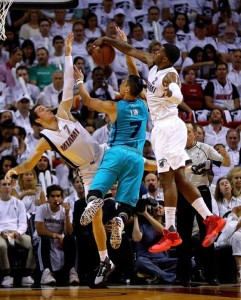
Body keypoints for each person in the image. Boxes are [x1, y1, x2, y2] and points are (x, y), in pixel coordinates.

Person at [92, 26, 226, 254]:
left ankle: (171, 231)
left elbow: (178, 94)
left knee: (167, 180)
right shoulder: (154, 65)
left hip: (169, 127)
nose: (153, 52)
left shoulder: (170, 74)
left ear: (164, 57)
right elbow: (131, 50)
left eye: (158, 50)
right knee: (180, 179)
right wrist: (109, 39)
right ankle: (210, 218)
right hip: (165, 128)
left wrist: (169, 93)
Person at [73, 27, 148, 286]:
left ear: (127, 91)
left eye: (124, 83)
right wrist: (124, 45)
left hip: (116, 153)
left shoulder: (116, 107)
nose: (122, 83)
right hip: (137, 158)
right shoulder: (143, 103)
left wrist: (80, 80)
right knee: (126, 204)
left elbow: (88, 101)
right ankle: (119, 219)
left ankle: (95, 202)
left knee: (96, 190)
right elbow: (134, 71)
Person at [35, 184, 79, 285]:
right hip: (42, 237)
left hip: (59, 237)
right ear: (48, 198)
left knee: (71, 239)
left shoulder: (66, 210)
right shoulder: (42, 209)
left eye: (58, 196)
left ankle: (71, 271)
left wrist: (67, 215)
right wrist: (57, 236)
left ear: (62, 198)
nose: (55, 199)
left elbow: (68, 232)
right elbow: (40, 230)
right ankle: (46, 272)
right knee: (44, 238)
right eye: (53, 196)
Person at [0, 175, 35, 287]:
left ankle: (27, 274)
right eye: (4, 184)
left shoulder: (18, 203)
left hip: (16, 233)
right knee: (1, 246)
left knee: (34, 242)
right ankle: (7, 275)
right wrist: (2, 232)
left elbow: (23, 222)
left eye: (9, 184)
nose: (7, 187)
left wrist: (18, 232)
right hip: (1, 233)